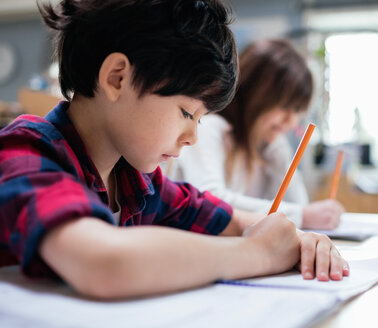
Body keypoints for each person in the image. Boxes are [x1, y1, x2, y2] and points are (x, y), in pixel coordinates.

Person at [0, 0, 348, 299]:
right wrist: (257, 253)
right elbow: (105, 264)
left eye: (200, 119)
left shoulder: (140, 184)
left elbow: (234, 220)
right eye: (186, 113)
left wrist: (298, 240)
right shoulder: (26, 152)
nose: (192, 137)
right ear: (117, 78)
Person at [168, 39, 345, 230]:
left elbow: (297, 204)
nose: (291, 122)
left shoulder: (266, 146)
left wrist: (279, 156)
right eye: (285, 107)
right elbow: (210, 201)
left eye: (298, 111)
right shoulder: (210, 128)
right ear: (255, 94)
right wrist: (301, 216)